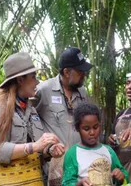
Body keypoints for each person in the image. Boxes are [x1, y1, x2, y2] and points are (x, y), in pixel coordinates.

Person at [0, 52, 65, 185]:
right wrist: (34, 146)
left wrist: (49, 150)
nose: (37, 81)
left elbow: (36, 150)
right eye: (33, 77)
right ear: (20, 80)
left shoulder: (31, 109)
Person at [32, 47, 93, 185]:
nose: (84, 74)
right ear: (66, 72)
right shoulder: (44, 90)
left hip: (79, 165)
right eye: (80, 71)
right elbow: (29, 121)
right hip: (53, 166)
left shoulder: (83, 93)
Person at [62, 102, 129, 186]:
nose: (92, 132)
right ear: (77, 128)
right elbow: (66, 182)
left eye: (95, 127)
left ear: (100, 125)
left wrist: (121, 176)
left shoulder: (108, 151)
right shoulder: (72, 154)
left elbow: (124, 175)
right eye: (86, 129)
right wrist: (79, 183)